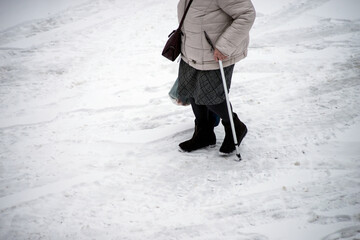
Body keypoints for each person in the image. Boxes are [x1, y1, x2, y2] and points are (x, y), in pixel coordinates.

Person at [176, 0, 256, 155]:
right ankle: (204, 133)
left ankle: (235, 127)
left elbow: (246, 14)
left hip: (216, 54)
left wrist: (224, 46)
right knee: (191, 89)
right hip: (191, 50)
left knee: (211, 97)